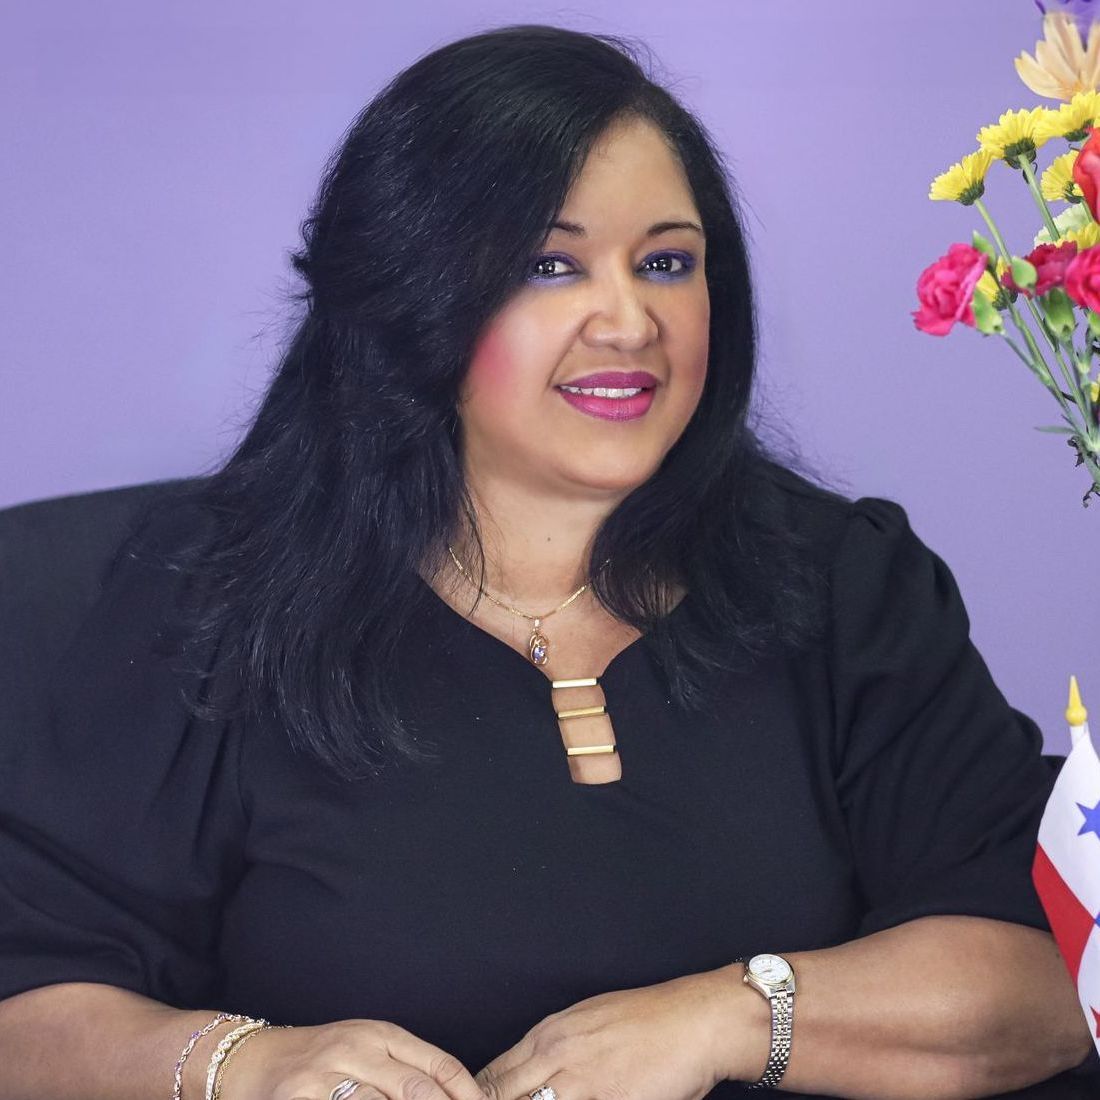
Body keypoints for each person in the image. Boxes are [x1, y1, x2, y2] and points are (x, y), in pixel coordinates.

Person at [0, 21, 1093, 1100]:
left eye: (666, 261)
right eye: (548, 264)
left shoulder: (844, 584)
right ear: (413, 289)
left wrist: (725, 1015)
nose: (628, 319)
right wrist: (241, 1063)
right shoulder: (205, 601)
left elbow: (1049, 967)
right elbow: (27, 1006)